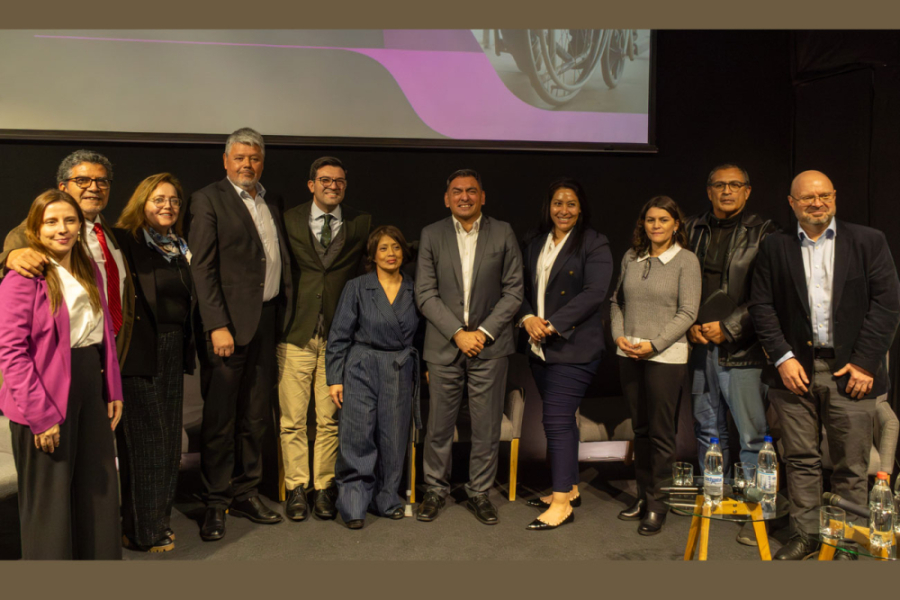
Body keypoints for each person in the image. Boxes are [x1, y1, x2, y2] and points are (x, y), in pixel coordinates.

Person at [749, 170, 900, 560]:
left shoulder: (869, 241)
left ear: (834, 197)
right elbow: (762, 307)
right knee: (800, 458)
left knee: (851, 463)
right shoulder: (774, 246)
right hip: (793, 371)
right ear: (791, 202)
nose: (817, 203)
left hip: (851, 373)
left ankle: (847, 538)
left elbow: (887, 306)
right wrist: (783, 358)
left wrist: (865, 364)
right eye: (807, 198)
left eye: (824, 196)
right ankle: (807, 534)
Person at [0, 189, 124, 559]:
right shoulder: (21, 278)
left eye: (69, 220)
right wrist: (41, 417)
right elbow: (11, 354)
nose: (62, 229)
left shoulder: (87, 270)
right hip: (43, 393)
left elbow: (105, 337)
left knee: (97, 496)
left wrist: (112, 389)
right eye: (51, 222)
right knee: (50, 508)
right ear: (35, 229)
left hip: (89, 384)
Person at [188, 127, 293, 541]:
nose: (247, 164)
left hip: (266, 323)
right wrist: (216, 324)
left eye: (254, 158)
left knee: (254, 415)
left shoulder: (270, 200)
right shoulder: (207, 199)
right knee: (220, 418)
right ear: (226, 161)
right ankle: (216, 501)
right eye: (240, 157)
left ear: (261, 162)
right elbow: (202, 268)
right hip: (227, 329)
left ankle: (246, 491)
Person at [415, 169, 524, 525]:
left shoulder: (503, 232)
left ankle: (479, 492)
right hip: (445, 346)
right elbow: (425, 293)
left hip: (490, 348)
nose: (464, 197)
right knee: (439, 426)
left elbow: (513, 291)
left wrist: (485, 332)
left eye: (471, 191)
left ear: (482, 197)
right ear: (447, 198)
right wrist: (457, 333)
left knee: (487, 426)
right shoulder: (431, 234)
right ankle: (434, 489)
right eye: (457, 191)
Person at [683, 164, 779, 546]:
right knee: (707, 427)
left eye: (734, 185)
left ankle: (760, 512)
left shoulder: (765, 233)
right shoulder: (690, 229)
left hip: (744, 348)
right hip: (698, 345)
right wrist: (688, 323)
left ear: (747, 191)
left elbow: (766, 295)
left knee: (752, 435)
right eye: (719, 185)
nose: (727, 191)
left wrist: (730, 327)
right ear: (709, 191)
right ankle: (717, 498)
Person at [516, 178, 613, 530]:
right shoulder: (535, 242)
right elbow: (518, 287)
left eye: (571, 203)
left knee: (556, 421)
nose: (564, 209)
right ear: (549, 207)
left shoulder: (594, 242)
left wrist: (553, 324)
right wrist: (527, 318)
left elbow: (594, 292)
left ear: (581, 208)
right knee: (563, 419)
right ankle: (569, 487)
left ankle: (560, 504)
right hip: (537, 347)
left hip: (574, 348)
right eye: (558, 202)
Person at [279, 156, 371, 521]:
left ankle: (323, 488)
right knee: (293, 420)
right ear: (311, 184)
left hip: (338, 336)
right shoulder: (288, 220)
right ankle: (296, 488)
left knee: (329, 419)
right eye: (325, 180)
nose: (333, 186)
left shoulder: (361, 223)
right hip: (295, 331)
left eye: (339, 181)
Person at [113, 173, 196, 552]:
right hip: (138, 350)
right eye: (159, 199)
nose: (167, 206)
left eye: (174, 200)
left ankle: (156, 522)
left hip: (173, 347)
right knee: (146, 442)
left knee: (166, 446)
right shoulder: (124, 241)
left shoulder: (178, 245)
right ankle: (142, 530)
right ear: (142, 202)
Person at [610, 195, 701, 535]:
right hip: (629, 354)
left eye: (663, 220)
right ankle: (643, 497)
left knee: (662, 434)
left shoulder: (686, 261)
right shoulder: (632, 258)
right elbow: (615, 301)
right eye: (650, 220)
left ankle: (658, 503)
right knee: (641, 430)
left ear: (676, 223)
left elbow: (688, 312)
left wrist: (655, 344)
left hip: (665, 356)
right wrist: (619, 336)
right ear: (643, 225)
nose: (656, 226)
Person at [325, 226, 420, 529]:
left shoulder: (416, 289)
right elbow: (339, 335)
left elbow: (424, 335)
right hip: (361, 365)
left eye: (395, 247)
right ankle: (354, 502)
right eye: (383, 248)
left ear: (404, 251)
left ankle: (388, 498)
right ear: (373, 254)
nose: (390, 254)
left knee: (394, 437)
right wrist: (334, 377)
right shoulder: (358, 287)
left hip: (398, 366)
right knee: (357, 434)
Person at [1, 150, 134, 362]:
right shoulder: (37, 231)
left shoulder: (110, 234)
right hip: (55, 359)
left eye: (102, 181)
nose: (94, 187)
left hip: (107, 354)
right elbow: (12, 261)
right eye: (82, 180)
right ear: (63, 187)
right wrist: (8, 257)